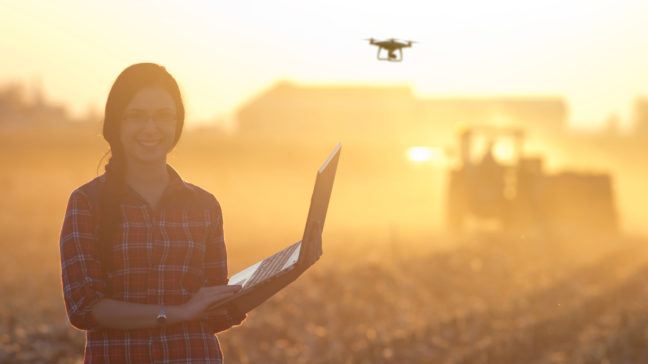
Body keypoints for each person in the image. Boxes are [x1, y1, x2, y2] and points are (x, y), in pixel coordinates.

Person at [59, 63, 245, 363]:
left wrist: (249, 292)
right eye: (136, 116)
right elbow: (84, 307)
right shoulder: (87, 203)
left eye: (163, 116)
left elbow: (211, 313)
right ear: (116, 123)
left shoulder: (205, 206)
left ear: (177, 124)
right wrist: (178, 312)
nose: (150, 128)